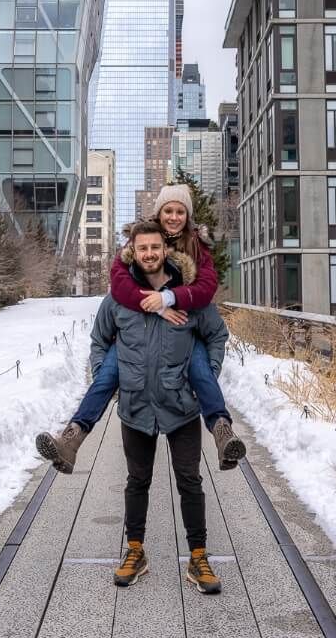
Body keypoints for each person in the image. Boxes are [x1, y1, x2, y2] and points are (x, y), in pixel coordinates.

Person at [35, 184, 245, 473]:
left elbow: (206, 288)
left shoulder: (197, 245)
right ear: (159, 212)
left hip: (184, 328)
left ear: (188, 215)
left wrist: (171, 297)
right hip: (138, 329)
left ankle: (222, 432)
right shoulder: (141, 238)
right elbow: (119, 284)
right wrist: (155, 304)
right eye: (168, 210)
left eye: (180, 211)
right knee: (106, 375)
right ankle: (71, 439)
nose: (173, 217)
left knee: (200, 371)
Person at [93, 220, 227, 592]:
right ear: (132, 252)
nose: (149, 254)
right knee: (138, 480)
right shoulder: (119, 300)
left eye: (155, 247)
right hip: (136, 406)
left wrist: (207, 377)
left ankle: (198, 556)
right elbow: (99, 340)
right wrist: (109, 379)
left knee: (190, 481)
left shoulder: (187, 295)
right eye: (142, 248)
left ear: (164, 250)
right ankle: (135, 551)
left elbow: (216, 335)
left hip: (181, 405)